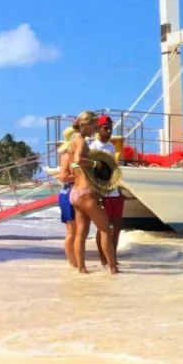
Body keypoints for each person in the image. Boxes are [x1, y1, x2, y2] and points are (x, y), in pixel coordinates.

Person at [68, 110, 118, 274]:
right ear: (86, 125)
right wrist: (97, 164)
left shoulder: (72, 141)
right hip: (86, 192)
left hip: (75, 193)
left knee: (80, 233)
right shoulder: (81, 141)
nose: (94, 129)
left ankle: (82, 268)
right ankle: (113, 268)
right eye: (94, 126)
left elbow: (72, 164)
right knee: (106, 230)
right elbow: (78, 160)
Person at [90, 115, 123, 268]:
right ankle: (103, 258)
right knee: (104, 228)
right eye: (106, 128)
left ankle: (113, 256)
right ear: (98, 129)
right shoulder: (93, 147)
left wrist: (120, 188)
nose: (109, 131)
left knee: (117, 227)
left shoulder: (111, 147)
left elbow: (114, 169)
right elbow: (90, 172)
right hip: (102, 191)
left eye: (110, 128)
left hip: (114, 190)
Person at [57, 125, 78, 268]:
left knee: (77, 231)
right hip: (68, 195)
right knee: (72, 231)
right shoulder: (66, 156)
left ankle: (76, 262)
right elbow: (63, 177)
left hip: (75, 194)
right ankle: (73, 264)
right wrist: (80, 177)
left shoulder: (75, 154)